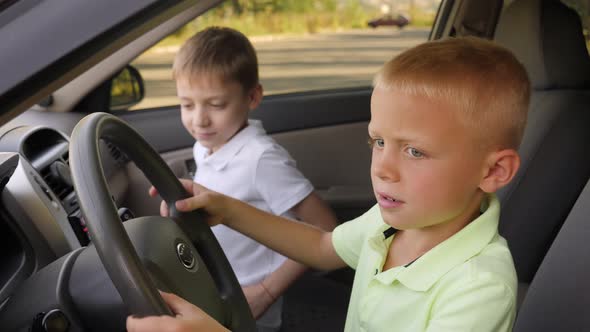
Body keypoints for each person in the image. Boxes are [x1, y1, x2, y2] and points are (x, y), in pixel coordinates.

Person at [128, 36, 530, 331]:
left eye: (415, 152)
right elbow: (322, 246)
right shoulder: (392, 223)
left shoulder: (478, 289)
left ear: (493, 172)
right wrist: (228, 209)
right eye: (379, 142)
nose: (382, 169)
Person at [165, 26, 338, 331]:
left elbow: (326, 228)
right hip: (221, 287)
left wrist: (266, 292)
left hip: (259, 307)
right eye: (187, 104)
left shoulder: (261, 159)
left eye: (216, 104)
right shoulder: (207, 146)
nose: (199, 120)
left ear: (253, 96)